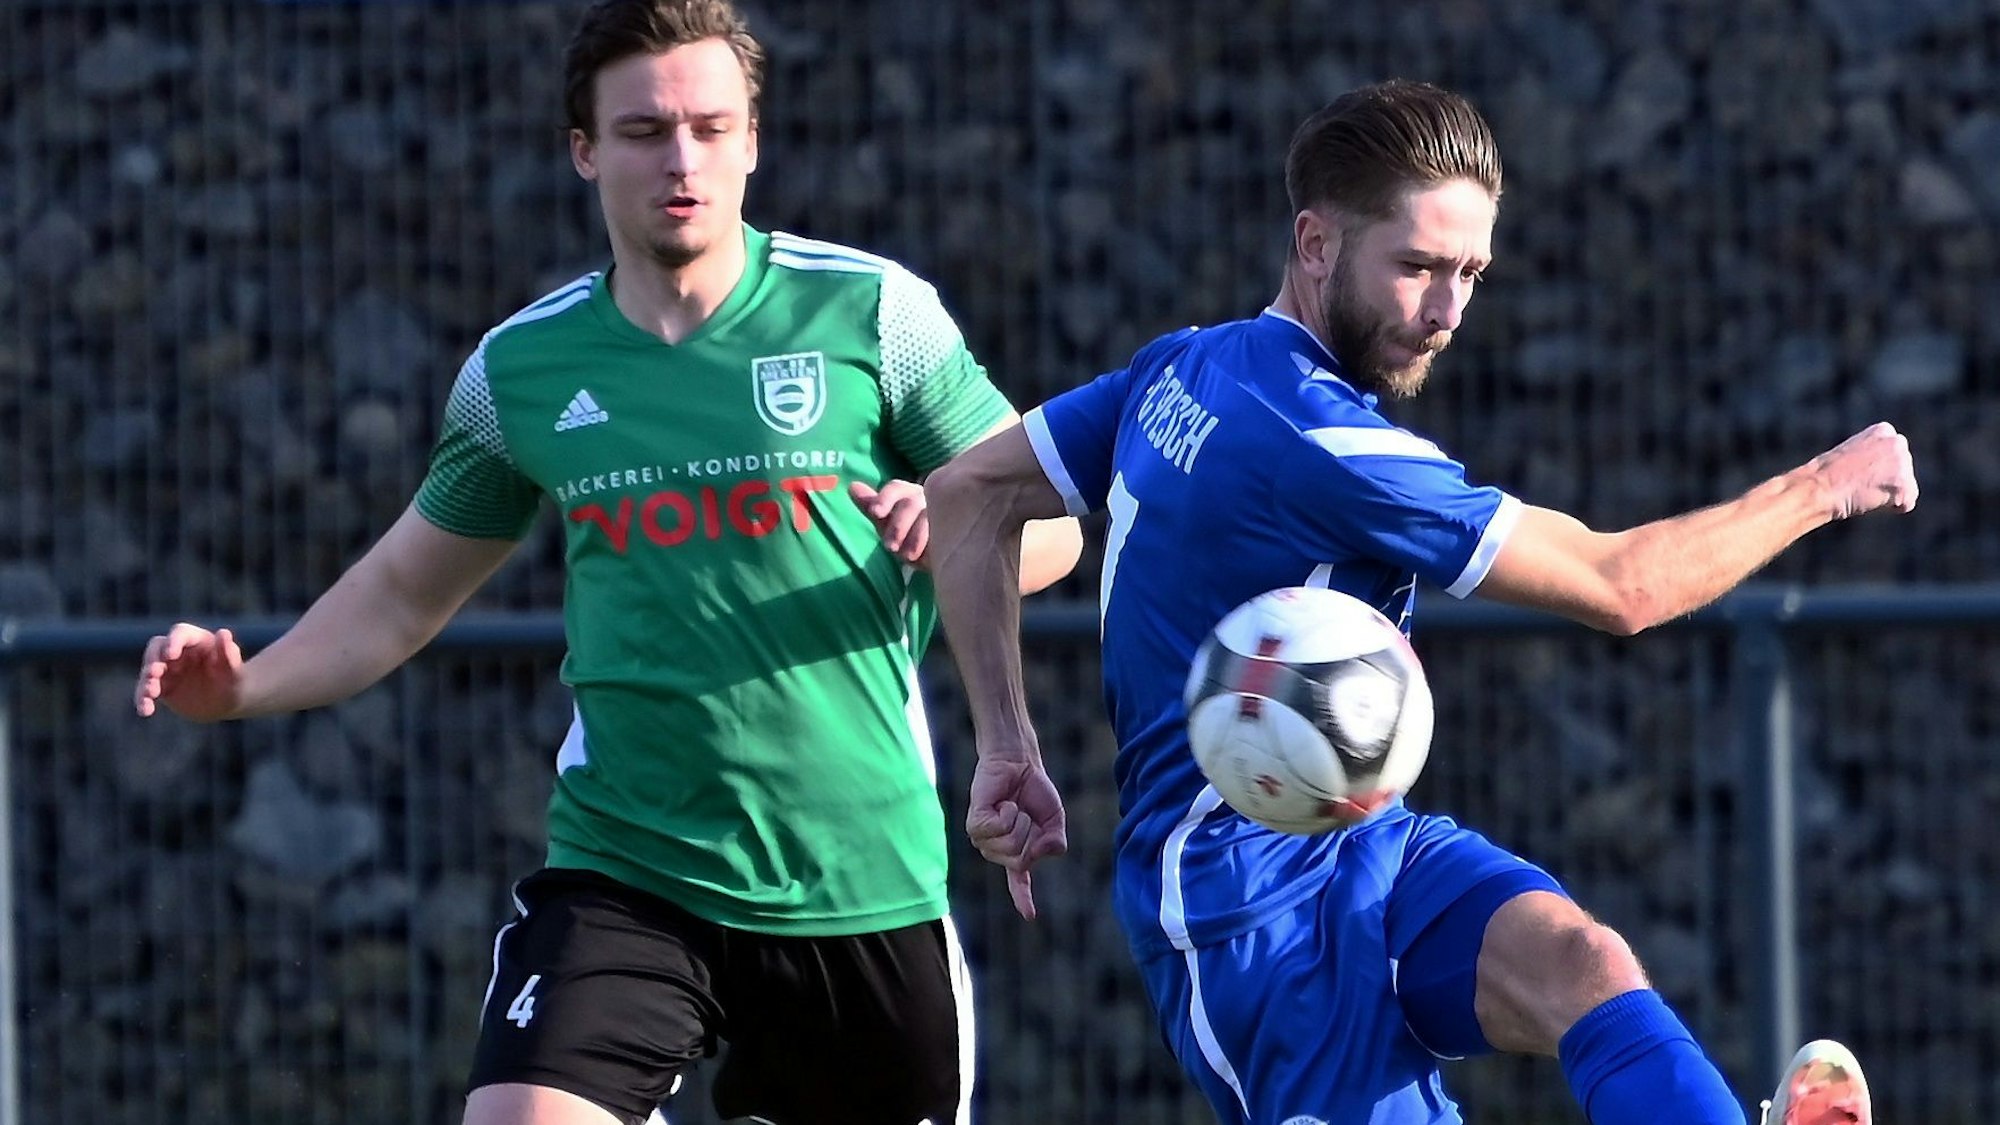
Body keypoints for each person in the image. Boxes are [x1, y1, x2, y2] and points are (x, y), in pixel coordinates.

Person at [132, 2, 1081, 1123]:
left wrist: (948, 524)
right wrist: (245, 687)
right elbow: (398, 595)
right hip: (626, 870)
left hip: (854, 880)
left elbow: (1052, 528)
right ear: (583, 150)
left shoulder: (874, 316)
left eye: (708, 127)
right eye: (641, 132)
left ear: (751, 141)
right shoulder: (522, 371)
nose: (680, 159)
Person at [924, 79, 1910, 1125]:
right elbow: (1620, 586)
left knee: (1583, 965)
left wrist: (1004, 744)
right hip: (1245, 916)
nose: (1445, 310)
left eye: (1469, 272)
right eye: (1416, 268)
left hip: (1366, 847)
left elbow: (968, 495)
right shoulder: (1325, 446)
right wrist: (1820, 487)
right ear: (1313, 244)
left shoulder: (1189, 365)